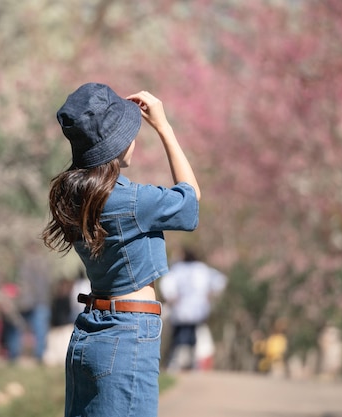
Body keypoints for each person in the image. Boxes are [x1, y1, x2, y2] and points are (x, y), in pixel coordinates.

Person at [42, 82, 201, 417]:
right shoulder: (132, 202)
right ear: (114, 144)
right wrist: (164, 128)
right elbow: (190, 200)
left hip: (89, 332)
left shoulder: (74, 197)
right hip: (128, 335)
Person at [159, 247, 227, 371]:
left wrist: (172, 298)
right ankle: (190, 363)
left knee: (179, 337)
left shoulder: (177, 269)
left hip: (180, 311)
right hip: (198, 311)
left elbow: (167, 286)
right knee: (192, 336)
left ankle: (177, 363)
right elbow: (220, 280)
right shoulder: (201, 268)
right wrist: (210, 294)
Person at [6, 244, 52, 364]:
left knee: (34, 329)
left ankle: (29, 356)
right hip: (30, 302)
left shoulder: (25, 263)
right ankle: (16, 355)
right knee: (34, 329)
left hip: (33, 301)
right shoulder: (39, 263)